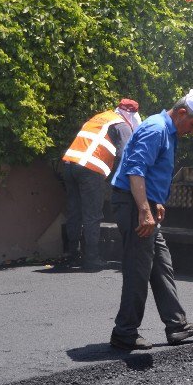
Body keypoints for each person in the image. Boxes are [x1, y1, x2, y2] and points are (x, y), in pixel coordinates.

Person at [108, 89, 193, 350]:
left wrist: (154, 201)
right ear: (181, 113)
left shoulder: (169, 131)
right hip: (134, 206)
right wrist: (144, 209)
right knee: (138, 268)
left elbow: (151, 170)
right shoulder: (156, 130)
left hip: (143, 205)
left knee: (161, 264)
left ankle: (176, 325)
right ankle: (125, 332)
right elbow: (135, 170)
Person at [61, 98, 141, 271]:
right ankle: (91, 259)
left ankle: (71, 255)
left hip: (69, 166)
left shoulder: (101, 117)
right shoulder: (122, 125)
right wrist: (124, 181)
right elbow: (124, 154)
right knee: (92, 215)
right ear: (132, 115)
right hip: (90, 169)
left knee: (74, 212)